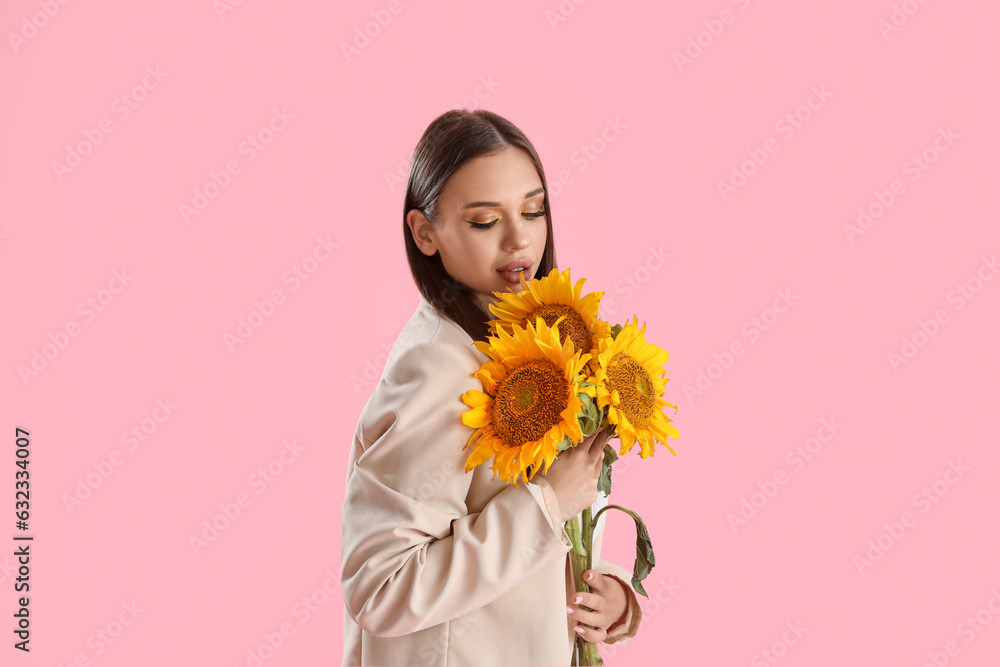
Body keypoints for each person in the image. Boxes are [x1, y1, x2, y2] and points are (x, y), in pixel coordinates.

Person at [340, 109, 643, 666]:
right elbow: (380, 587)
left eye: (534, 210)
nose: (519, 239)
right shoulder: (436, 368)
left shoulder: (531, 347)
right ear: (425, 233)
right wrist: (546, 505)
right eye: (484, 221)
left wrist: (610, 598)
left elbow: (536, 542)